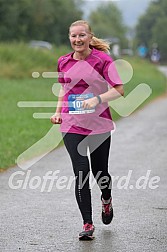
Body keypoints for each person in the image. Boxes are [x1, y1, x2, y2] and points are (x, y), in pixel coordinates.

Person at [51, 20, 124, 240]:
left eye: (82, 35)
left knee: (100, 172)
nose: (77, 40)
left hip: (99, 124)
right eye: (73, 36)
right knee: (81, 172)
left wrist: (97, 99)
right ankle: (88, 224)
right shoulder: (63, 61)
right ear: (69, 38)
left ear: (90, 37)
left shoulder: (103, 60)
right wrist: (58, 112)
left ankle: (106, 199)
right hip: (72, 124)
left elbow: (119, 90)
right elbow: (64, 89)